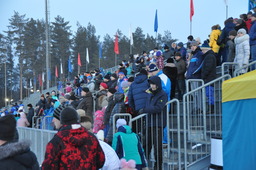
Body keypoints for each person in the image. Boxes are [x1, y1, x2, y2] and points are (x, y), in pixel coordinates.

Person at [140, 76, 167, 170]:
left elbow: (159, 108)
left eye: (154, 84)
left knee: (157, 147)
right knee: (146, 145)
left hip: (158, 124)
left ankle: (158, 166)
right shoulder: (150, 94)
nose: (152, 86)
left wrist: (145, 110)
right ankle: (144, 164)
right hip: (149, 123)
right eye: (151, 84)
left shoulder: (162, 94)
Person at [201, 41, 217, 109]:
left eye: (202, 50)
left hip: (209, 78)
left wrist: (203, 75)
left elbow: (208, 67)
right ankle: (210, 107)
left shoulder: (209, 56)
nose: (202, 52)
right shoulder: (209, 56)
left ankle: (211, 107)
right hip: (209, 77)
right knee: (209, 94)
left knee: (209, 94)